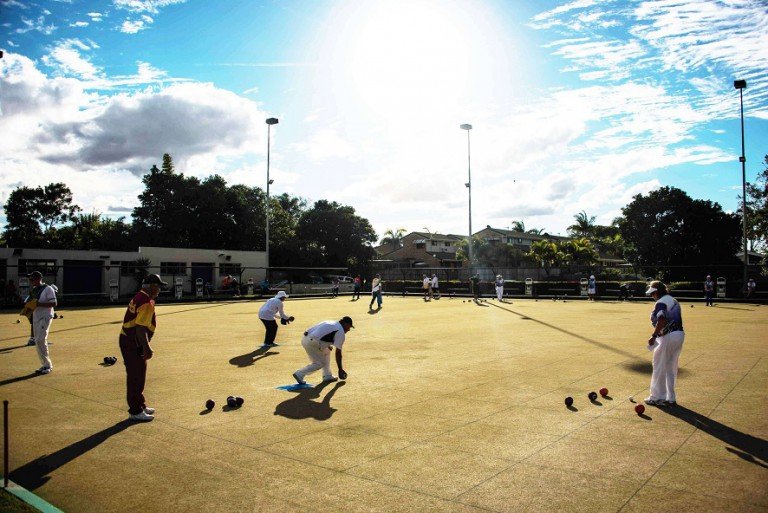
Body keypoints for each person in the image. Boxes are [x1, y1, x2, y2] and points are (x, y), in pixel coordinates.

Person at [119, 273, 166, 422]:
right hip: (133, 342)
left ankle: (141, 404)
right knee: (135, 376)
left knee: (140, 374)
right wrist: (147, 347)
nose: (159, 289)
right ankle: (135, 411)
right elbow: (140, 328)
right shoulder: (146, 301)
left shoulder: (141, 296)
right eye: (158, 286)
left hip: (129, 339)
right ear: (151, 286)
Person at [645, 280, 685, 407]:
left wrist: (653, 335)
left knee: (658, 365)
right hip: (679, 335)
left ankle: (656, 397)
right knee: (670, 367)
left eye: (652, 294)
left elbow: (661, 319)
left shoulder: (661, 302)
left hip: (668, 336)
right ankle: (670, 398)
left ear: (657, 292)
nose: (652, 296)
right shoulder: (673, 300)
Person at [292, 316, 354, 384]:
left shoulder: (332, 322)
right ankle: (299, 373)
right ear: (346, 324)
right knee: (319, 363)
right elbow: (338, 353)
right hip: (312, 343)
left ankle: (327, 375)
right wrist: (340, 369)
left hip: (305, 338)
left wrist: (326, 345)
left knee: (327, 351)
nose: (349, 329)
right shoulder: (340, 331)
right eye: (349, 327)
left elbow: (314, 332)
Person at [26, 272, 57, 374]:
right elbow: (31, 303)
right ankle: (44, 364)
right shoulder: (34, 290)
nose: (31, 281)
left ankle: (48, 365)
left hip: (45, 317)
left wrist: (39, 304)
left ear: (39, 278)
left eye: (32, 279)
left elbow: (54, 303)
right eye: (30, 280)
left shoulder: (48, 289)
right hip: (36, 317)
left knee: (40, 340)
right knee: (37, 341)